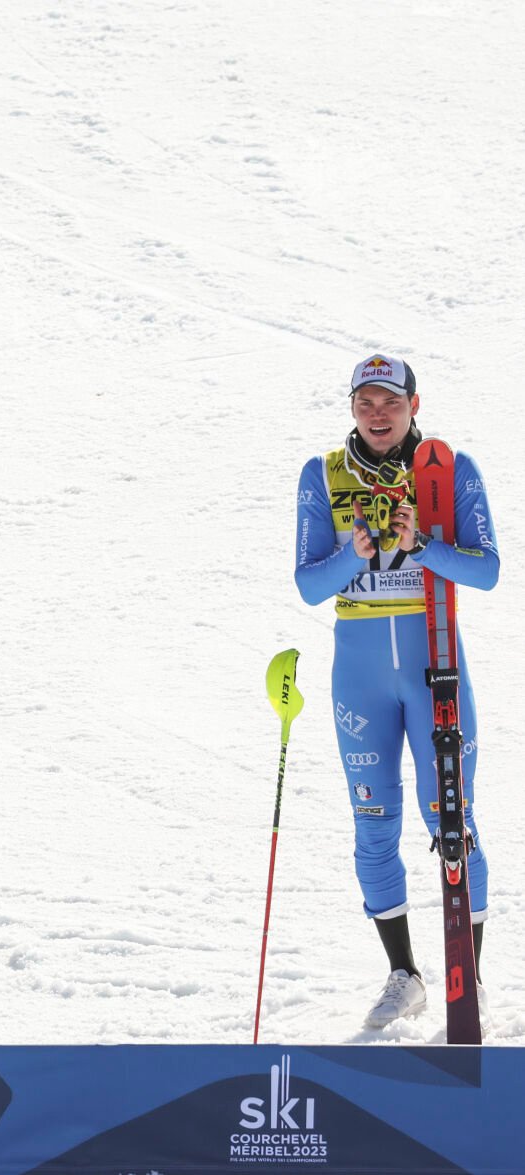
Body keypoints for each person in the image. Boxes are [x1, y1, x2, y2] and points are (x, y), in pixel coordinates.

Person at [293, 354, 499, 1030]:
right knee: (371, 822)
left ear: (414, 403)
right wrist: (353, 554)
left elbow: (487, 569)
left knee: (449, 819)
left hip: (432, 660)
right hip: (357, 671)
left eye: (390, 401)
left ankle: (467, 981)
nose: (377, 414)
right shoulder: (322, 475)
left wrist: (420, 547)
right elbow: (307, 585)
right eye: (365, 402)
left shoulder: (446, 467)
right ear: (351, 408)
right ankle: (403, 974)